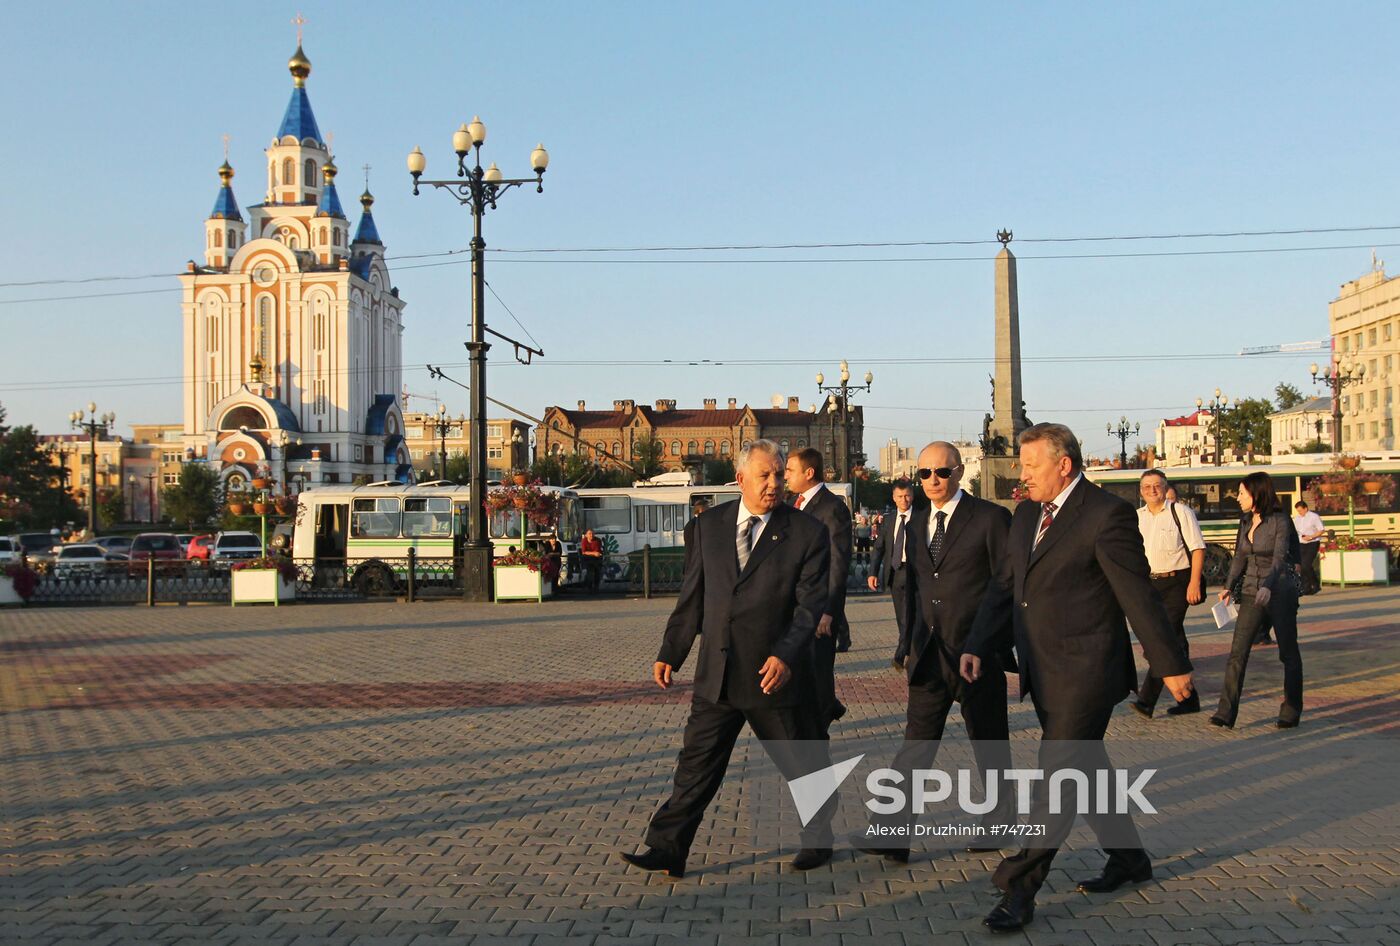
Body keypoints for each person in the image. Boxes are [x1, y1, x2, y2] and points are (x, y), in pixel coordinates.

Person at [961, 423, 1194, 933]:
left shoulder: (1105, 515)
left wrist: (1171, 664)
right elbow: (1005, 588)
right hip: (1041, 669)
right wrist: (979, 644)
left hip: (1087, 671)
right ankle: (1129, 859)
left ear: (1063, 464)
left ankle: (1021, 887)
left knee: (1059, 774)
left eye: (1030, 466)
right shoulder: (1025, 515)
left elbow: (1138, 596)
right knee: (1090, 769)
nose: (1022, 476)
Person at [622, 440, 837, 877]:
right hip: (717, 673)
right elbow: (693, 595)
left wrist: (785, 655)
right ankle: (668, 847)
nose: (775, 483)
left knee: (800, 760)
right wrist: (672, 650)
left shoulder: (806, 533)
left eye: (780, 474)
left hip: (770, 674)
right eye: (766, 475)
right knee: (695, 766)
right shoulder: (708, 527)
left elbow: (809, 605)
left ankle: (819, 837)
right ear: (740, 480)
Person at [855, 442, 1015, 862]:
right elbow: (915, 588)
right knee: (916, 744)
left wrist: (985, 644)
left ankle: (1000, 820)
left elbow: (1005, 587)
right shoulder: (915, 522)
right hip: (929, 653)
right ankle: (892, 833)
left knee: (989, 742)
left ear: (959, 472)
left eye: (940, 473)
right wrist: (907, 645)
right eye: (923, 474)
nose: (931, 481)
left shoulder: (990, 518)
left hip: (976, 654)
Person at [1212, 472, 1304, 730]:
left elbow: (1279, 558)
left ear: (1257, 494)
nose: (1238, 498)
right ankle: (1225, 712)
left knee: (1288, 653)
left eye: (1242, 493)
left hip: (1280, 591)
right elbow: (1239, 558)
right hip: (1251, 591)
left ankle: (1291, 709)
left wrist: (1268, 586)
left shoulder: (1280, 521)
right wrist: (1228, 588)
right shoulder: (1244, 521)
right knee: (1237, 653)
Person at [785, 446, 853, 735]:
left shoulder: (831, 508)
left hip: (819, 610)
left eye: (790, 470)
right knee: (802, 669)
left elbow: (838, 564)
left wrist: (829, 611)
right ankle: (823, 708)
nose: (785, 475)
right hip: (797, 607)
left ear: (808, 472)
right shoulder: (794, 503)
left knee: (819, 670)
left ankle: (820, 725)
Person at [1131, 470, 1206, 718]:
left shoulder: (1180, 512)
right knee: (1175, 641)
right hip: (1149, 585)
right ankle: (1189, 699)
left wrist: (1194, 583)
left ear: (1165, 487)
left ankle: (1146, 700)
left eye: (1156, 486)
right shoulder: (1137, 517)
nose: (1152, 490)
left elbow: (1197, 549)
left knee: (1162, 638)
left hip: (1177, 582)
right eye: (1146, 487)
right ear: (1140, 491)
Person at [867, 479, 916, 669]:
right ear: (894, 498)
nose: (904, 500)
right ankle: (908, 648)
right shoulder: (889, 520)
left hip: (914, 573)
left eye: (907, 496)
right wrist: (872, 573)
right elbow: (879, 548)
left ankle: (901, 652)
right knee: (900, 615)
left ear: (912, 496)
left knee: (909, 614)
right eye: (900, 496)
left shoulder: (921, 517)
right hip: (895, 572)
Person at [1292, 500, 1325, 595]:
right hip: (1301, 543)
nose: (1299, 513)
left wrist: (1311, 537)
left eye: (1301, 510)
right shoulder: (1297, 518)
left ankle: (1315, 584)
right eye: (1298, 511)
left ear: (1305, 508)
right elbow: (1295, 531)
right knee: (1301, 566)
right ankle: (1306, 587)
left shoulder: (1314, 517)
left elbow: (1321, 530)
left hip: (1312, 543)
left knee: (1306, 563)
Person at [579, 528, 604, 593]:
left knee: (597, 573)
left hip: (597, 559)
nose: (591, 535)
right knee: (590, 573)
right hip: (588, 559)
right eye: (589, 534)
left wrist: (595, 553)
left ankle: (596, 588)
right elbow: (584, 552)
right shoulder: (584, 541)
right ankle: (589, 588)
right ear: (586, 535)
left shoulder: (597, 540)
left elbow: (597, 551)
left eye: (592, 534)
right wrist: (593, 553)